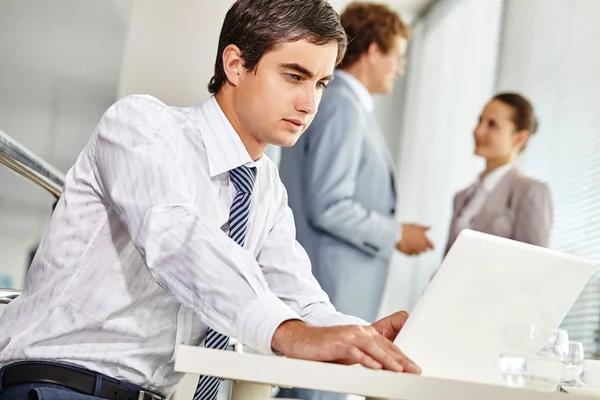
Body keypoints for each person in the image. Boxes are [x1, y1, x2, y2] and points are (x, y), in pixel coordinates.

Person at [0, 1, 420, 400]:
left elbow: (299, 298)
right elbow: (176, 240)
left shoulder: (265, 187)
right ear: (235, 64)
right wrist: (289, 333)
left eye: (321, 83)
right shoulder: (143, 125)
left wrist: (363, 337)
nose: (309, 103)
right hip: (60, 382)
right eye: (294, 76)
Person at [279, 1, 432, 326]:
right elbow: (331, 206)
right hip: (329, 291)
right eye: (398, 57)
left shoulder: (335, 105)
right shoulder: (343, 109)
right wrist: (397, 233)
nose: (400, 69)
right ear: (374, 52)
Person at [444, 93, 553, 255]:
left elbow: (533, 265)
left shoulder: (530, 191)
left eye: (492, 125)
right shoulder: (462, 197)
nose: (478, 131)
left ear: (520, 139)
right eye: (480, 121)